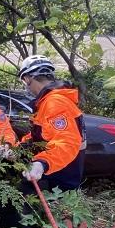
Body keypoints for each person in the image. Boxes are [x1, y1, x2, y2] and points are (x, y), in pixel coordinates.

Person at [18, 54, 86, 191]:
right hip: (54, 174)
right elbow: (41, 135)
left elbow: (66, 142)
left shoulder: (55, 103)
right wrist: (18, 148)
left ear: (27, 78)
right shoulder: (49, 101)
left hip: (58, 180)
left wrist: (42, 163)